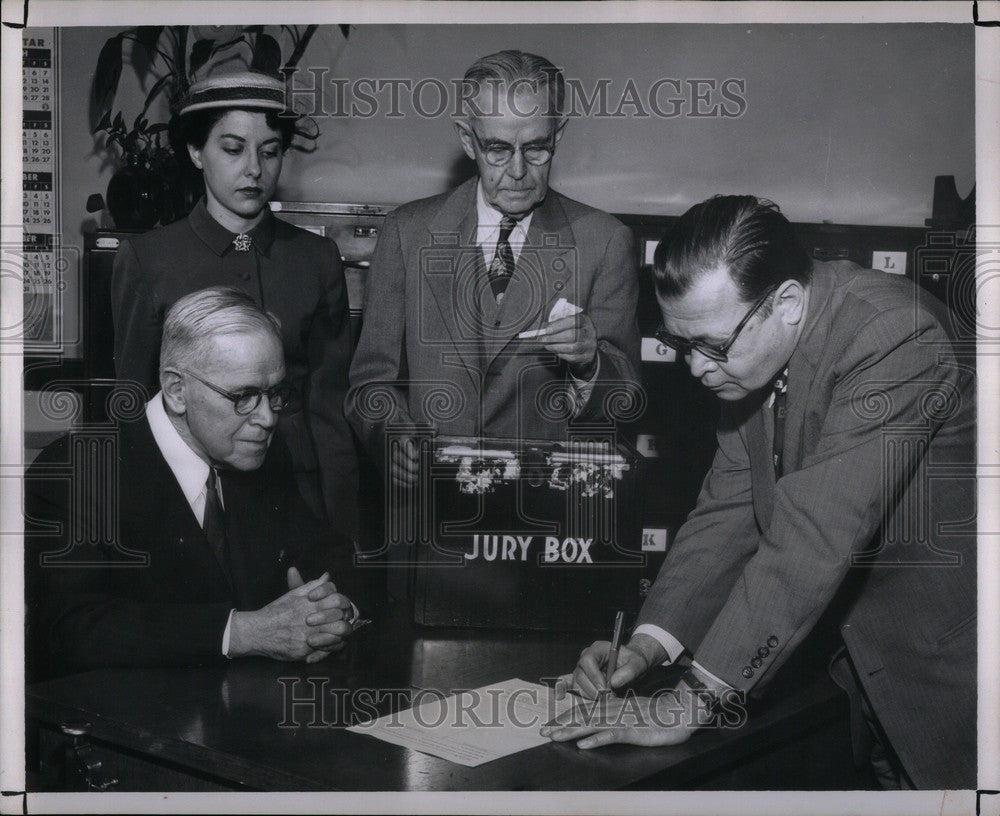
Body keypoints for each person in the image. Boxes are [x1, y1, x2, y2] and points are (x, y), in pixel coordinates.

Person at [542, 195, 976, 790]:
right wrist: (646, 647)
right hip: (856, 673)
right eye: (681, 343)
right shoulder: (752, 361)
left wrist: (689, 701)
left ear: (788, 303)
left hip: (949, 675)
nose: (697, 369)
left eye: (714, 345)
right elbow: (727, 512)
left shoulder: (895, 336)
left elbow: (815, 531)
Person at [25, 288, 364, 682]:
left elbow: (330, 553)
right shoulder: (78, 471)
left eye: (275, 394)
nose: (268, 418)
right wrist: (243, 633)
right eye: (243, 396)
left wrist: (335, 613)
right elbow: (67, 630)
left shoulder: (262, 453)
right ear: (176, 390)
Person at [346, 50, 640, 485]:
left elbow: (626, 400)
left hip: (544, 520)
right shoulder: (408, 232)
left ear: (558, 133)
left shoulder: (605, 241)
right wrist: (393, 434)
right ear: (468, 140)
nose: (518, 171)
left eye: (537, 148)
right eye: (498, 149)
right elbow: (369, 384)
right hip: (432, 512)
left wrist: (589, 364)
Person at [110, 70, 357, 537]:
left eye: (269, 152)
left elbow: (331, 408)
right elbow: (132, 405)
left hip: (297, 500)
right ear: (195, 152)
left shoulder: (315, 258)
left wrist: (342, 529)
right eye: (232, 148)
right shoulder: (147, 259)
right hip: (192, 505)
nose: (254, 170)